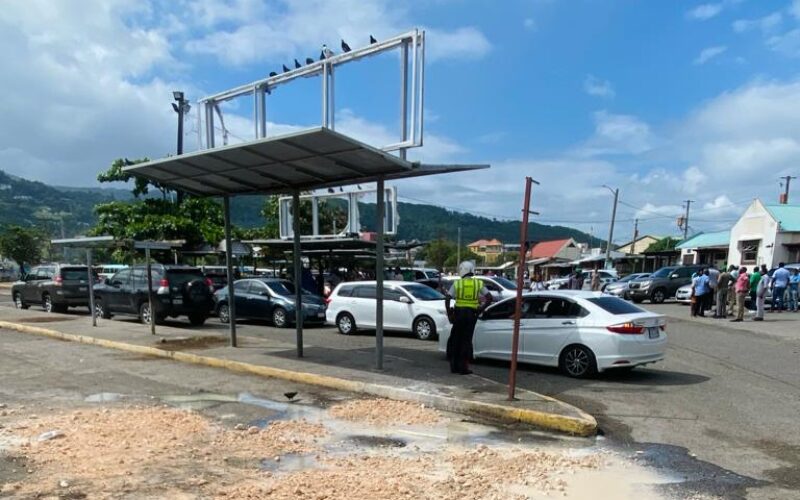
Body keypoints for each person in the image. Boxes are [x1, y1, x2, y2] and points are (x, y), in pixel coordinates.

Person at [445, 261, 492, 375]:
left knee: (456, 339)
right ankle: (463, 368)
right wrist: (480, 309)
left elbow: (447, 298)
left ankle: (454, 366)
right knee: (466, 341)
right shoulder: (478, 283)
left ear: (463, 270)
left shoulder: (458, 284)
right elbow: (489, 297)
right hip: (471, 314)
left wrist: (449, 313)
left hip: (459, 313)